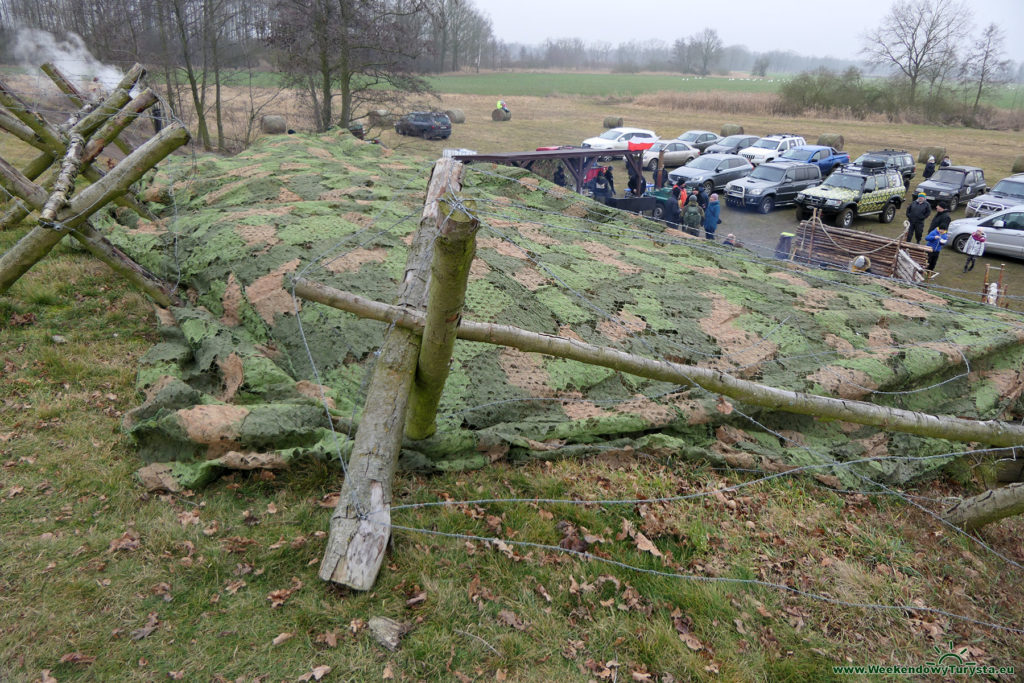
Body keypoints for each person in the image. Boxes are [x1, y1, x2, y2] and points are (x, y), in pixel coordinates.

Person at [925, 202, 951, 271]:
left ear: (942, 208)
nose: (936, 207)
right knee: (927, 258)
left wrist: (941, 238)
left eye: (938, 206)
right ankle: (925, 268)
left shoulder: (946, 217)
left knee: (933, 260)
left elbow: (943, 228)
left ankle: (930, 270)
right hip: (932, 237)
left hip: (937, 245)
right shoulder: (939, 214)